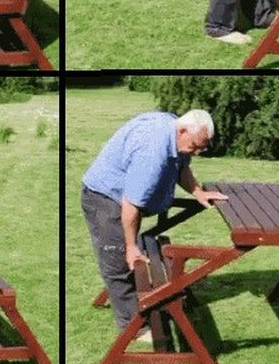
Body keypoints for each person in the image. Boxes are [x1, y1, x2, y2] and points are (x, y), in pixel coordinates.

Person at [81, 109, 228, 339]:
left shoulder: (174, 130)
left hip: (122, 197)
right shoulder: (152, 152)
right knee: (118, 262)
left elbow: (182, 167)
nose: (198, 153)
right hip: (105, 198)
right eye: (196, 146)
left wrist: (198, 192)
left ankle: (139, 307)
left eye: (202, 147)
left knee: (127, 252)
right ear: (182, 131)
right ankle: (134, 328)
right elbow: (130, 206)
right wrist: (131, 247)